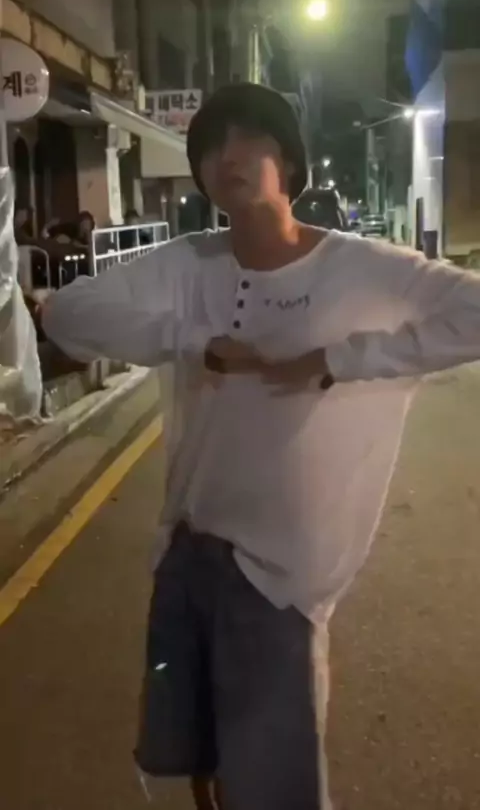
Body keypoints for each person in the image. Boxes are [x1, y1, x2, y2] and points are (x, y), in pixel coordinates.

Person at [41, 83, 480, 810]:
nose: (227, 157)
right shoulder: (188, 263)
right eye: (210, 146)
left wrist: (339, 359)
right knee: (197, 750)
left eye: (248, 139)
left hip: (280, 572)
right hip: (190, 546)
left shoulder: (356, 265)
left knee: (275, 779)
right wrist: (190, 342)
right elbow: (68, 311)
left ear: (290, 163)